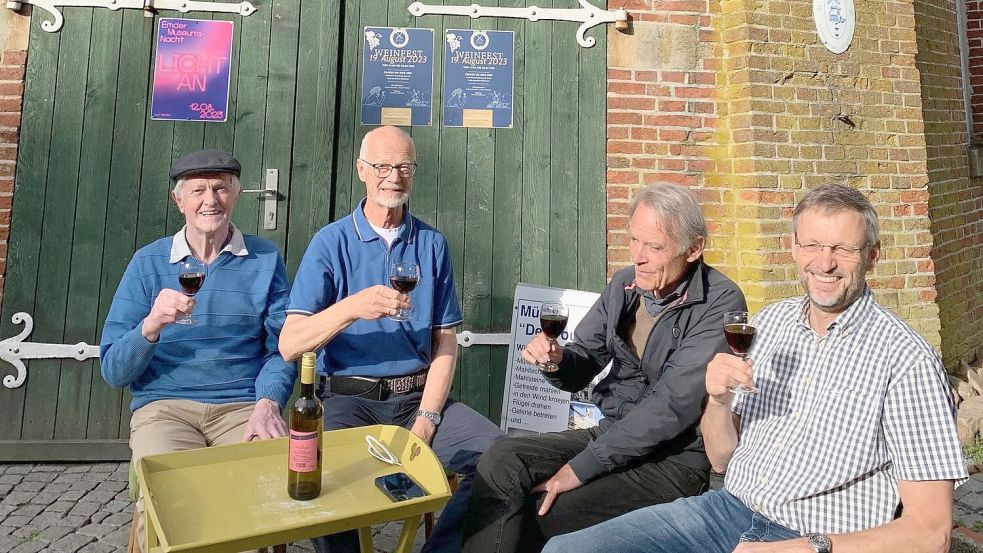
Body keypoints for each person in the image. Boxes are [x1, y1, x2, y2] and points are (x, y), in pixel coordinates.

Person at [542, 183, 968, 553]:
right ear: (794, 248)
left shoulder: (906, 360)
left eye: (843, 248)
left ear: (872, 256)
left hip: (817, 534)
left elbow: (932, 534)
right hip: (727, 511)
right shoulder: (769, 325)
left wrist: (811, 546)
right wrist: (718, 401)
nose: (825, 263)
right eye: (813, 246)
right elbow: (724, 457)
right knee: (566, 549)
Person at [460, 183, 747, 553]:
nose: (638, 257)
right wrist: (557, 361)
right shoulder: (624, 285)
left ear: (694, 249)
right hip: (611, 434)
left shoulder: (720, 302)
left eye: (654, 247)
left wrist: (578, 470)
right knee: (499, 460)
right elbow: (583, 362)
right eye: (634, 241)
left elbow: (671, 406)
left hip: (672, 462)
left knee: (542, 512)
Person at [279, 125, 503, 553]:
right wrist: (352, 307)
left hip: (416, 398)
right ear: (361, 170)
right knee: (323, 476)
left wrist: (428, 417)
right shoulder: (330, 243)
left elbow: (445, 342)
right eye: (382, 165)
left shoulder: (432, 244)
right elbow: (291, 344)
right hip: (347, 401)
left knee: (500, 457)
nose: (393, 176)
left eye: (404, 166)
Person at [100, 150, 294, 552]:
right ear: (179, 201)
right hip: (165, 407)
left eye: (221, 188)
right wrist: (151, 325)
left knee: (256, 493)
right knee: (168, 500)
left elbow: (281, 350)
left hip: (242, 407)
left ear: (236, 196)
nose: (211, 200)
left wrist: (268, 403)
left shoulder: (265, 259)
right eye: (199, 190)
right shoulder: (147, 263)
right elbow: (114, 370)